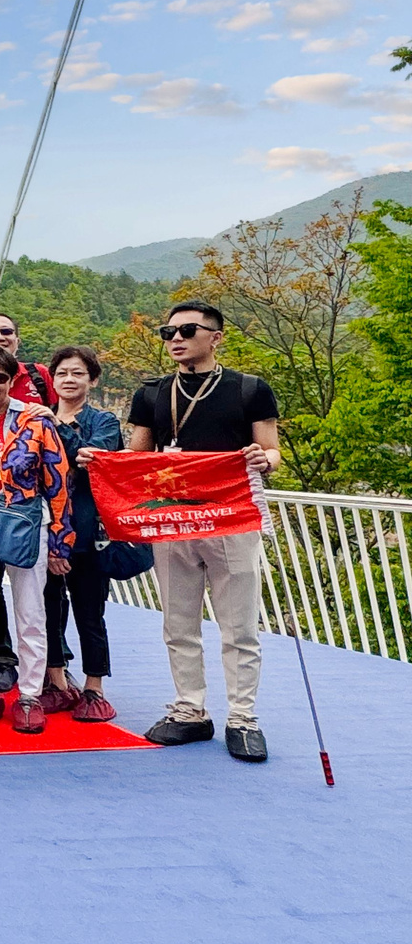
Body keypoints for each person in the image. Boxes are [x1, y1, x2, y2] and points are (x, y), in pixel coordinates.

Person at [126, 300, 280, 762]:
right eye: (167, 332)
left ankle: (243, 717)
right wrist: (104, 463)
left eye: (187, 330)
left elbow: (272, 452)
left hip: (232, 518)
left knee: (239, 625)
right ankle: (190, 710)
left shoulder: (250, 389)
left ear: (216, 337)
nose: (175, 338)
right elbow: (138, 461)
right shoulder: (151, 394)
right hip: (173, 520)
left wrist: (260, 459)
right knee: (178, 622)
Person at [0, 343, 74, 735]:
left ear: (12, 380)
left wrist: (61, 539)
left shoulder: (36, 423)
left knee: (31, 613)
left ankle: (28, 695)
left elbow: (58, 482)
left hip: (27, 524)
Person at [42, 345, 121, 723]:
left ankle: (94, 687)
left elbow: (96, 462)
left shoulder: (104, 422)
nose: (69, 380)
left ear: (92, 379)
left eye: (77, 373)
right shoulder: (38, 421)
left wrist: (56, 427)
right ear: (52, 379)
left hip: (88, 531)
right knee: (48, 608)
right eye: (62, 373)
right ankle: (56, 681)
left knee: (90, 610)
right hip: (45, 528)